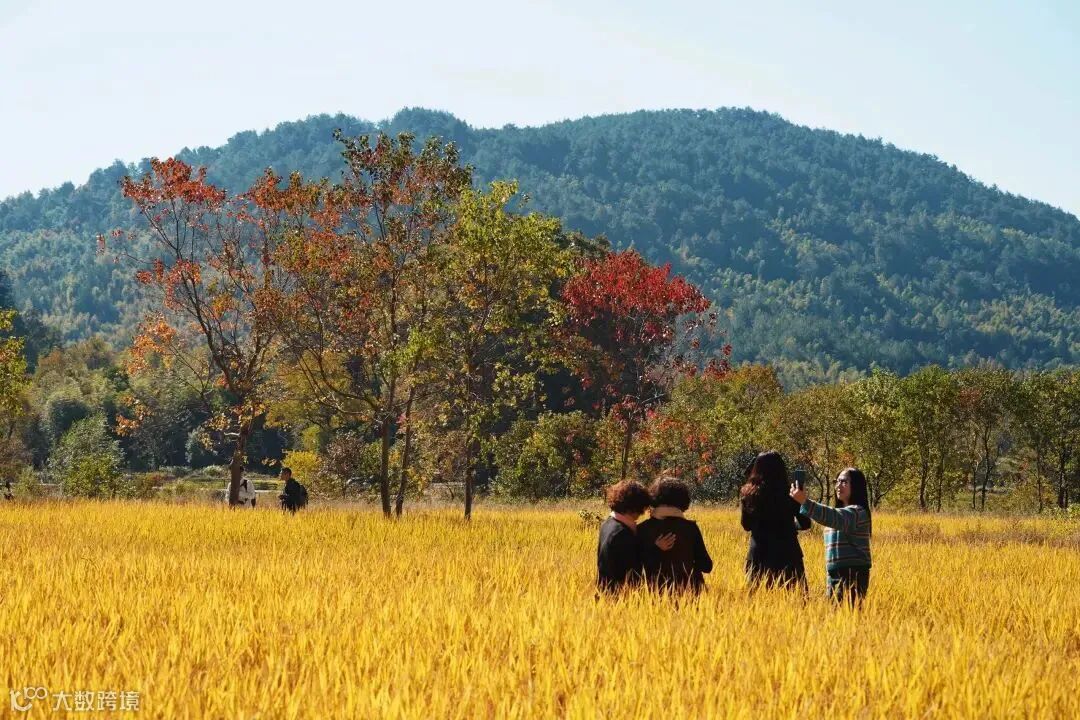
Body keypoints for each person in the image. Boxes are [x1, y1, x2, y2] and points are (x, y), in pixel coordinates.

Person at [791, 467, 872, 606]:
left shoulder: (858, 512)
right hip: (835, 574)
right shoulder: (840, 513)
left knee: (847, 616)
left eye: (844, 482)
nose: (838, 486)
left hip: (853, 574)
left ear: (856, 486)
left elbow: (833, 517)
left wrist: (805, 502)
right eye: (837, 481)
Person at [740, 451, 811, 591]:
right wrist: (791, 525)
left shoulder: (748, 494)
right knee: (795, 601)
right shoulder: (791, 493)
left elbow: (746, 525)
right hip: (788, 555)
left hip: (758, 556)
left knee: (758, 602)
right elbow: (805, 523)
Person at [596, 480, 675, 594]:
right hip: (618, 595)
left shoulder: (607, 523)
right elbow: (634, 567)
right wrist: (657, 549)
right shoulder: (622, 533)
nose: (643, 511)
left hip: (605, 591)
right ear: (635, 506)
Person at [637, 477, 713, 593]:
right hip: (689, 593)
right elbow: (706, 566)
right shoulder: (690, 528)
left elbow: (635, 565)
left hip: (653, 593)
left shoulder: (643, 529)